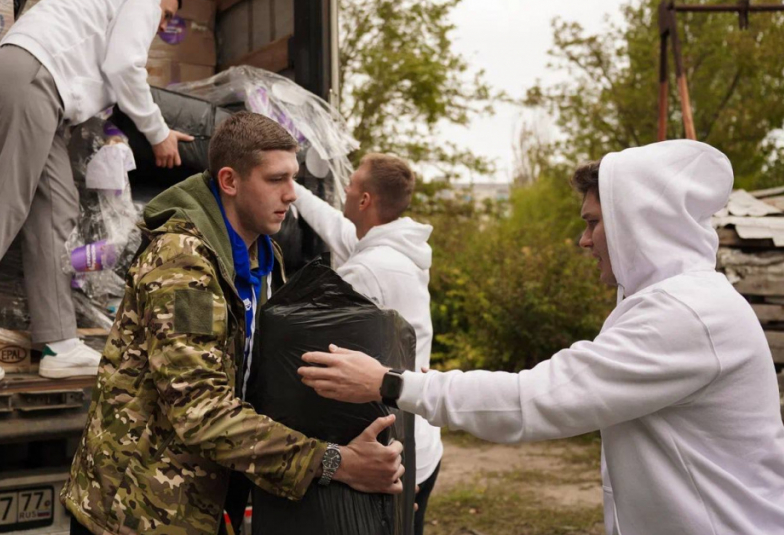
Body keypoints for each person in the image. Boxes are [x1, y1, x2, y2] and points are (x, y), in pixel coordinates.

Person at [298, 140, 784, 535]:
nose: (583, 240)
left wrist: (392, 384)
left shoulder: (686, 315)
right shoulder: (672, 300)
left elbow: (535, 399)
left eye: (593, 222)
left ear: (638, 224)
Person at [62, 112, 405, 535]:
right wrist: (335, 462)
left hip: (202, 503)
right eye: (276, 179)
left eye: (293, 178)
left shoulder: (263, 256)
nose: (292, 194)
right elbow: (200, 412)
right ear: (229, 181)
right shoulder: (183, 263)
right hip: (136, 512)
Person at [0, 0, 194, 387]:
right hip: (32, 77)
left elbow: (105, 75)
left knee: (56, 208)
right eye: (168, 15)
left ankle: (59, 344)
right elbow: (125, 66)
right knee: (6, 201)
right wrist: (159, 134)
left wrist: (154, 128)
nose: (164, 27)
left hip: (44, 91)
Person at [292, 153, 443, 534]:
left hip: (395, 451)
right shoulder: (393, 250)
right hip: (420, 439)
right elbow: (334, 225)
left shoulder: (366, 270)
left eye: (352, 183)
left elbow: (331, 355)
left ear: (364, 201)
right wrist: (288, 184)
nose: (344, 188)